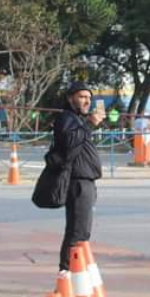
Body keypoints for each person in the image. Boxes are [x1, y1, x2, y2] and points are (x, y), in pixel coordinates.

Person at [53, 81, 105, 273]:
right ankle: (66, 274)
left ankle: (73, 273)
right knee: (77, 233)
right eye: (82, 97)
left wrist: (90, 124)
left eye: (89, 98)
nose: (86, 101)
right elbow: (70, 143)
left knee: (82, 232)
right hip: (77, 183)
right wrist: (89, 124)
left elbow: (79, 139)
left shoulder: (77, 120)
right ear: (70, 98)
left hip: (86, 182)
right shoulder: (66, 118)